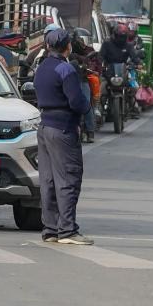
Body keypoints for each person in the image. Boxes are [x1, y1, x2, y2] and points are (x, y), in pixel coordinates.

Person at [33, 28, 92, 245]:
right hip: (63, 129)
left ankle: (50, 229)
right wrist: (88, 107)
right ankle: (67, 230)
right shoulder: (66, 70)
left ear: (48, 46)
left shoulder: (41, 68)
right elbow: (77, 102)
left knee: (48, 180)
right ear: (67, 46)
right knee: (68, 178)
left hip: (45, 127)